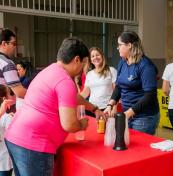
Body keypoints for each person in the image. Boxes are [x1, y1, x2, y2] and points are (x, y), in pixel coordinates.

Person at [4, 37, 104, 176]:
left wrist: (93, 108)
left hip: (16, 137)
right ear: (76, 60)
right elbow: (69, 124)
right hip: (33, 144)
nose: (82, 68)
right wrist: (81, 124)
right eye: (84, 63)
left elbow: (74, 97)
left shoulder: (50, 70)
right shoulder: (65, 81)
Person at [104, 31, 159, 135]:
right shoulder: (122, 63)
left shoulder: (145, 65)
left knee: (140, 149)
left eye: (119, 45)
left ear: (129, 45)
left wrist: (129, 113)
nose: (117, 48)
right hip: (127, 114)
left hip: (144, 117)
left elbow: (150, 95)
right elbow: (119, 86)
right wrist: (110, 104)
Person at [81, 47, 117, 117]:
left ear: (102, 56)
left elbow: (116, 91)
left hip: (107, 108)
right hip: (92, 109)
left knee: (106, 128)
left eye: (97, 55)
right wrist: (73, 98)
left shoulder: (111, 70)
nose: (95, 57)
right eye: (93, 56)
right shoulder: (89, 74)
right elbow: (85, 92)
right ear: (91, 60)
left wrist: (114, 107)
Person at [0, 28, 26, 98]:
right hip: (5, 107)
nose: (15, 47)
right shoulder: (7, 64)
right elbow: (20, 93)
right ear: (4, 43)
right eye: (13, 43)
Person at [0, 84, 16, 176]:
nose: (12, 96)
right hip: (4, 161)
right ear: (4, 99)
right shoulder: (6, 118)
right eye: (10, 94)